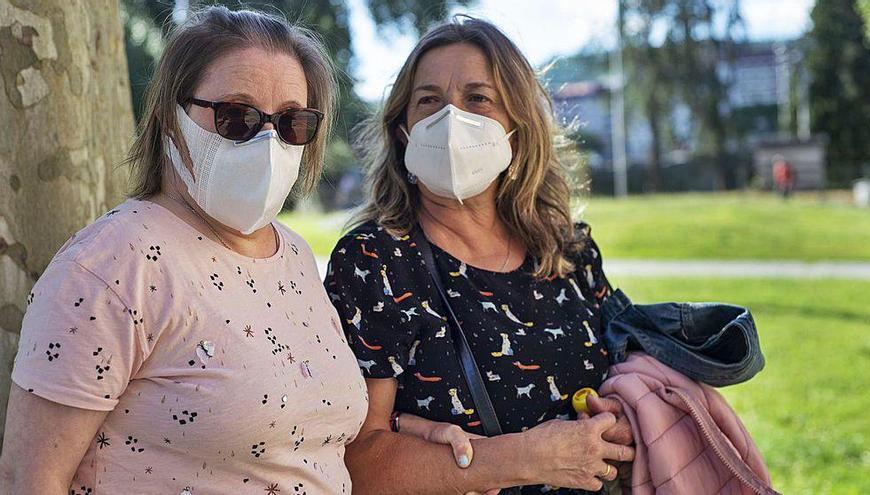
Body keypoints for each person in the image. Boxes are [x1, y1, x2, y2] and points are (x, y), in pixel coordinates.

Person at [0, 7, 368, 494]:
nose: (267, 141)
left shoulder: (294, 255)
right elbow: (30, 479)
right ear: (170, 119)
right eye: (237, 116)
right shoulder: (112, 263)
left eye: (292, 123)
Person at [324, 16, 634, 494]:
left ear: (517, 126)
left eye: (478, 98)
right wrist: (526, 458)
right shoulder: (373, 262)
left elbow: (622, 377)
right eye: (428, 101)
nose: (450, 119)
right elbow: (356, 463)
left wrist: (621, 420)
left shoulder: (568, 249)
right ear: (404, 130)